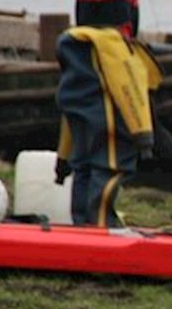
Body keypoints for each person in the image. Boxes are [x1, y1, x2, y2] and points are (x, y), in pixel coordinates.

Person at [55, 26, 163, 227]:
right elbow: (129, 88)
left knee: (83, 170)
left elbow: (68, 118)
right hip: (112, 125)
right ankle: (102, 223)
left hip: (86, 126)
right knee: (108, 169)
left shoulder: (74, 56)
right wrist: (144, 135)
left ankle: (82, 224)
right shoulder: (112, 47)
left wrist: (62, 159)